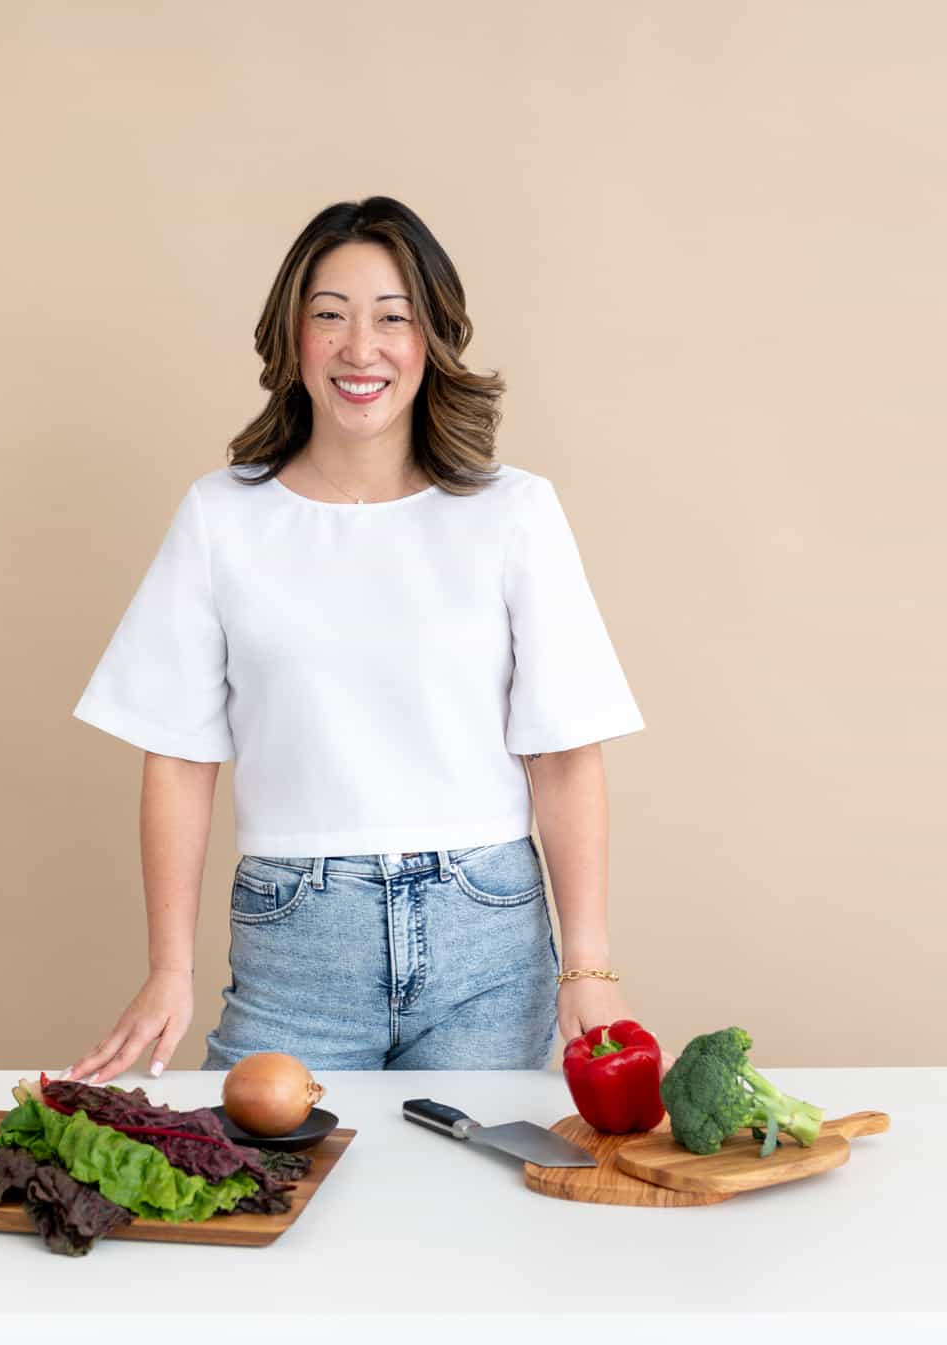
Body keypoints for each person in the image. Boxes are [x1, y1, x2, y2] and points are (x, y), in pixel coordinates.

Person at [63, 195, 657, 1085]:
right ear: (292, 338)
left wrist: (590, 968)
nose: (360, 348)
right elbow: (180, 758)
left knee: (474, 1202)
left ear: (433, 339)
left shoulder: (513, 513)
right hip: (296, 942)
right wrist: (169, 969)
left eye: (393, 319)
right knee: (274, 1195)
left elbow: (565, 752)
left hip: (486, 938)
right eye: (329, 317)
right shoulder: (221, 517)